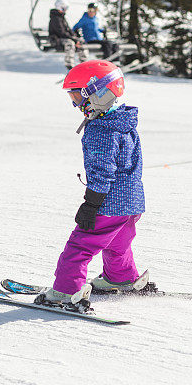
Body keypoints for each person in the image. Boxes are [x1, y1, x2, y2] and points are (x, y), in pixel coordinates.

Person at [35, 60, 147, 312]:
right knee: (118, 243)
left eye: (77, 95)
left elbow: (102, 172)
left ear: (99, 92)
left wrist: (91, 205)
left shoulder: (100, 130)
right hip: (132, 202)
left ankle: (65, 290)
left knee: (79, 246)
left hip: (108, 203)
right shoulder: (124, 121)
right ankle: (120, 277)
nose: (75, 104)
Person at [48, 0, 87, 71]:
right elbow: (61, 32)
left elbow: (68, 29)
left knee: (80, 42)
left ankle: (84, 63)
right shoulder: (55, 18)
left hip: (64, 38)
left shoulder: (61, 17)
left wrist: (75, 38)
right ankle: (69, 64)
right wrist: (74, 40)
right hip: (57, 39)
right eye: (64, 8)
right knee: (70, 43)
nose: (65, 10)